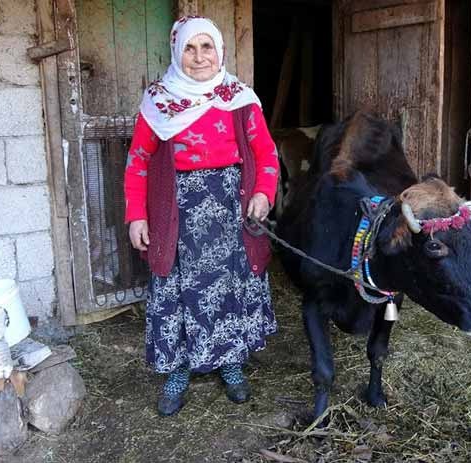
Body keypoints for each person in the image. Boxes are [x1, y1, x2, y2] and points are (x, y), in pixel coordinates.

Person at [123, 16, 279, 417]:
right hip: (177, 212)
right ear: (177, 52)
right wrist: (137, 215)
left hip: (232, 209)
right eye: (190, 48)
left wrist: (263, 193)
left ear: (220, 51)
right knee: (175, 290)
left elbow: (266, 155)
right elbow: (138, 161)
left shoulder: (240, 99)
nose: (199, 57)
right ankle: (178, 370)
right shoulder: (158, 100)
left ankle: (230, 363)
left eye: (206, 47)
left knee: (230, 286)